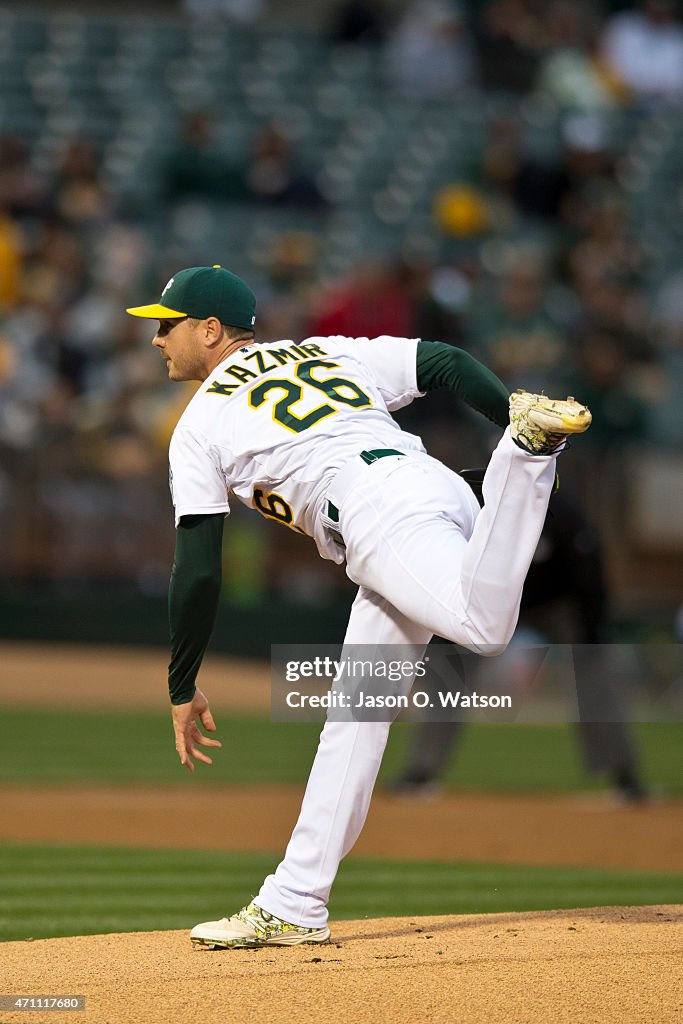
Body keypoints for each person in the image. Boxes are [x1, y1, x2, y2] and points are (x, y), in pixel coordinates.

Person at [125, 264, 592, 949]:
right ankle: (294, 901)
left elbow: (196, 568)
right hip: (425, 489)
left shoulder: (198, 425)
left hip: (381, 520)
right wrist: (506, 403)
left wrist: (180, 682)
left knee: (483, 628)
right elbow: (442, 360)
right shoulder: (324, 351)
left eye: (166, 326)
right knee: (355, 717)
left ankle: (524, 458)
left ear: (210, 330)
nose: (157, 339)